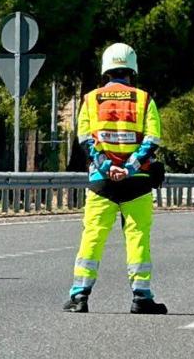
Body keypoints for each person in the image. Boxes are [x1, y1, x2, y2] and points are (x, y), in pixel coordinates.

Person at [65, 42, 168, 314]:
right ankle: (141, 297)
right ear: (132, 69)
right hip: (137, 183)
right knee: (138, 238)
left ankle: (79, 297)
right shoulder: (145, 100)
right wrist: (130, 167)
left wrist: (107, 166)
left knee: (92, 238)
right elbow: (152, 139)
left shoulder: (90, 100)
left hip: (101, 183)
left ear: (106, 70)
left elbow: (85, 140)